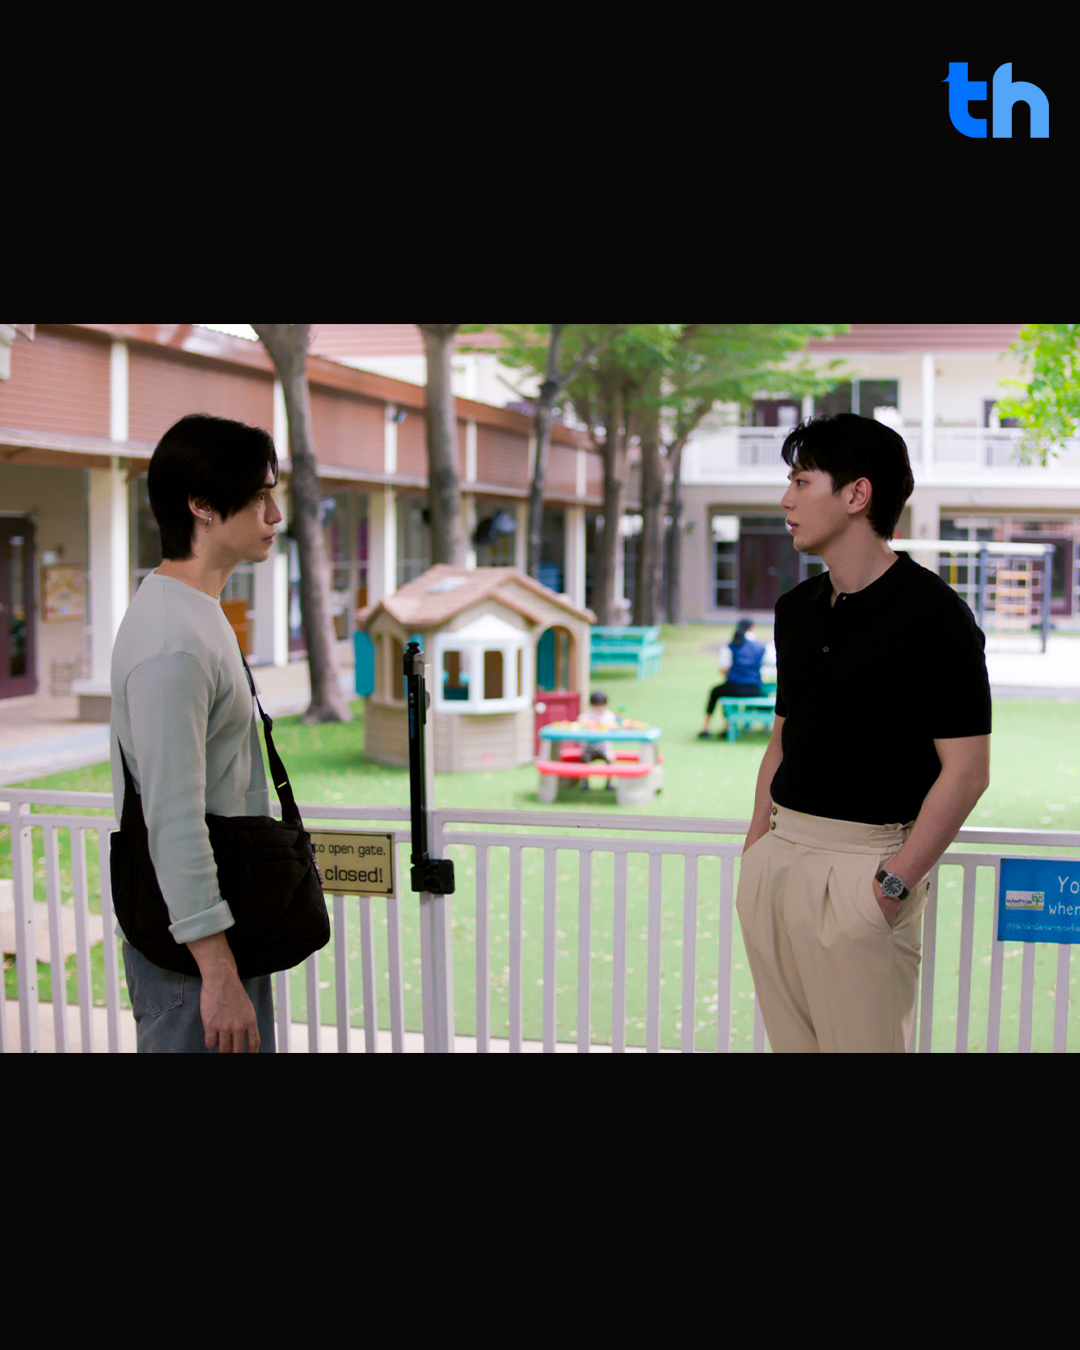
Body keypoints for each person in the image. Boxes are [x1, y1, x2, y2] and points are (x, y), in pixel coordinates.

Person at [735, 412, 992, 1053]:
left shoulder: (936, 616)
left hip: (866, 871)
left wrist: (892, 886)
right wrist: (755, 852)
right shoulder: (795, 610)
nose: (786, 499)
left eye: (801, 481)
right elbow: (783, 738)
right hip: (777, 861)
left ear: (857, 494)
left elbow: (966, 772)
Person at [110, 413, 284, 1053]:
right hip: (192, 959)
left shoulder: (196, 613)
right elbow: (173, 815)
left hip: (218, 931)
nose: (275, 514)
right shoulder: (173, 640)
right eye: (260, 496)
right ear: (202, 504)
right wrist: (217, 972)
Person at [699, 618, 772, 739]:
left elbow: (723, 668)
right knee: (765, 693)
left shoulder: (731, 646)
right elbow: (770, 663)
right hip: (753, 689)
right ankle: (731, 727)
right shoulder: (762, 647)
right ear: (753, 627)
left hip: (733, 687)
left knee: (716, 692)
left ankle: (706, 728)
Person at [579, 689, 620, 788]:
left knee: (610, 758)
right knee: (584, 759)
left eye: (601, 706)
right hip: (589, 746)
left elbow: (615, 726)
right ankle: (585, 783)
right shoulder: (587, 716)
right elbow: (580, 724)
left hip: (603, 746)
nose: (598, 709)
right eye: (596, 706)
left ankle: (609, 782)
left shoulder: (609, 716)